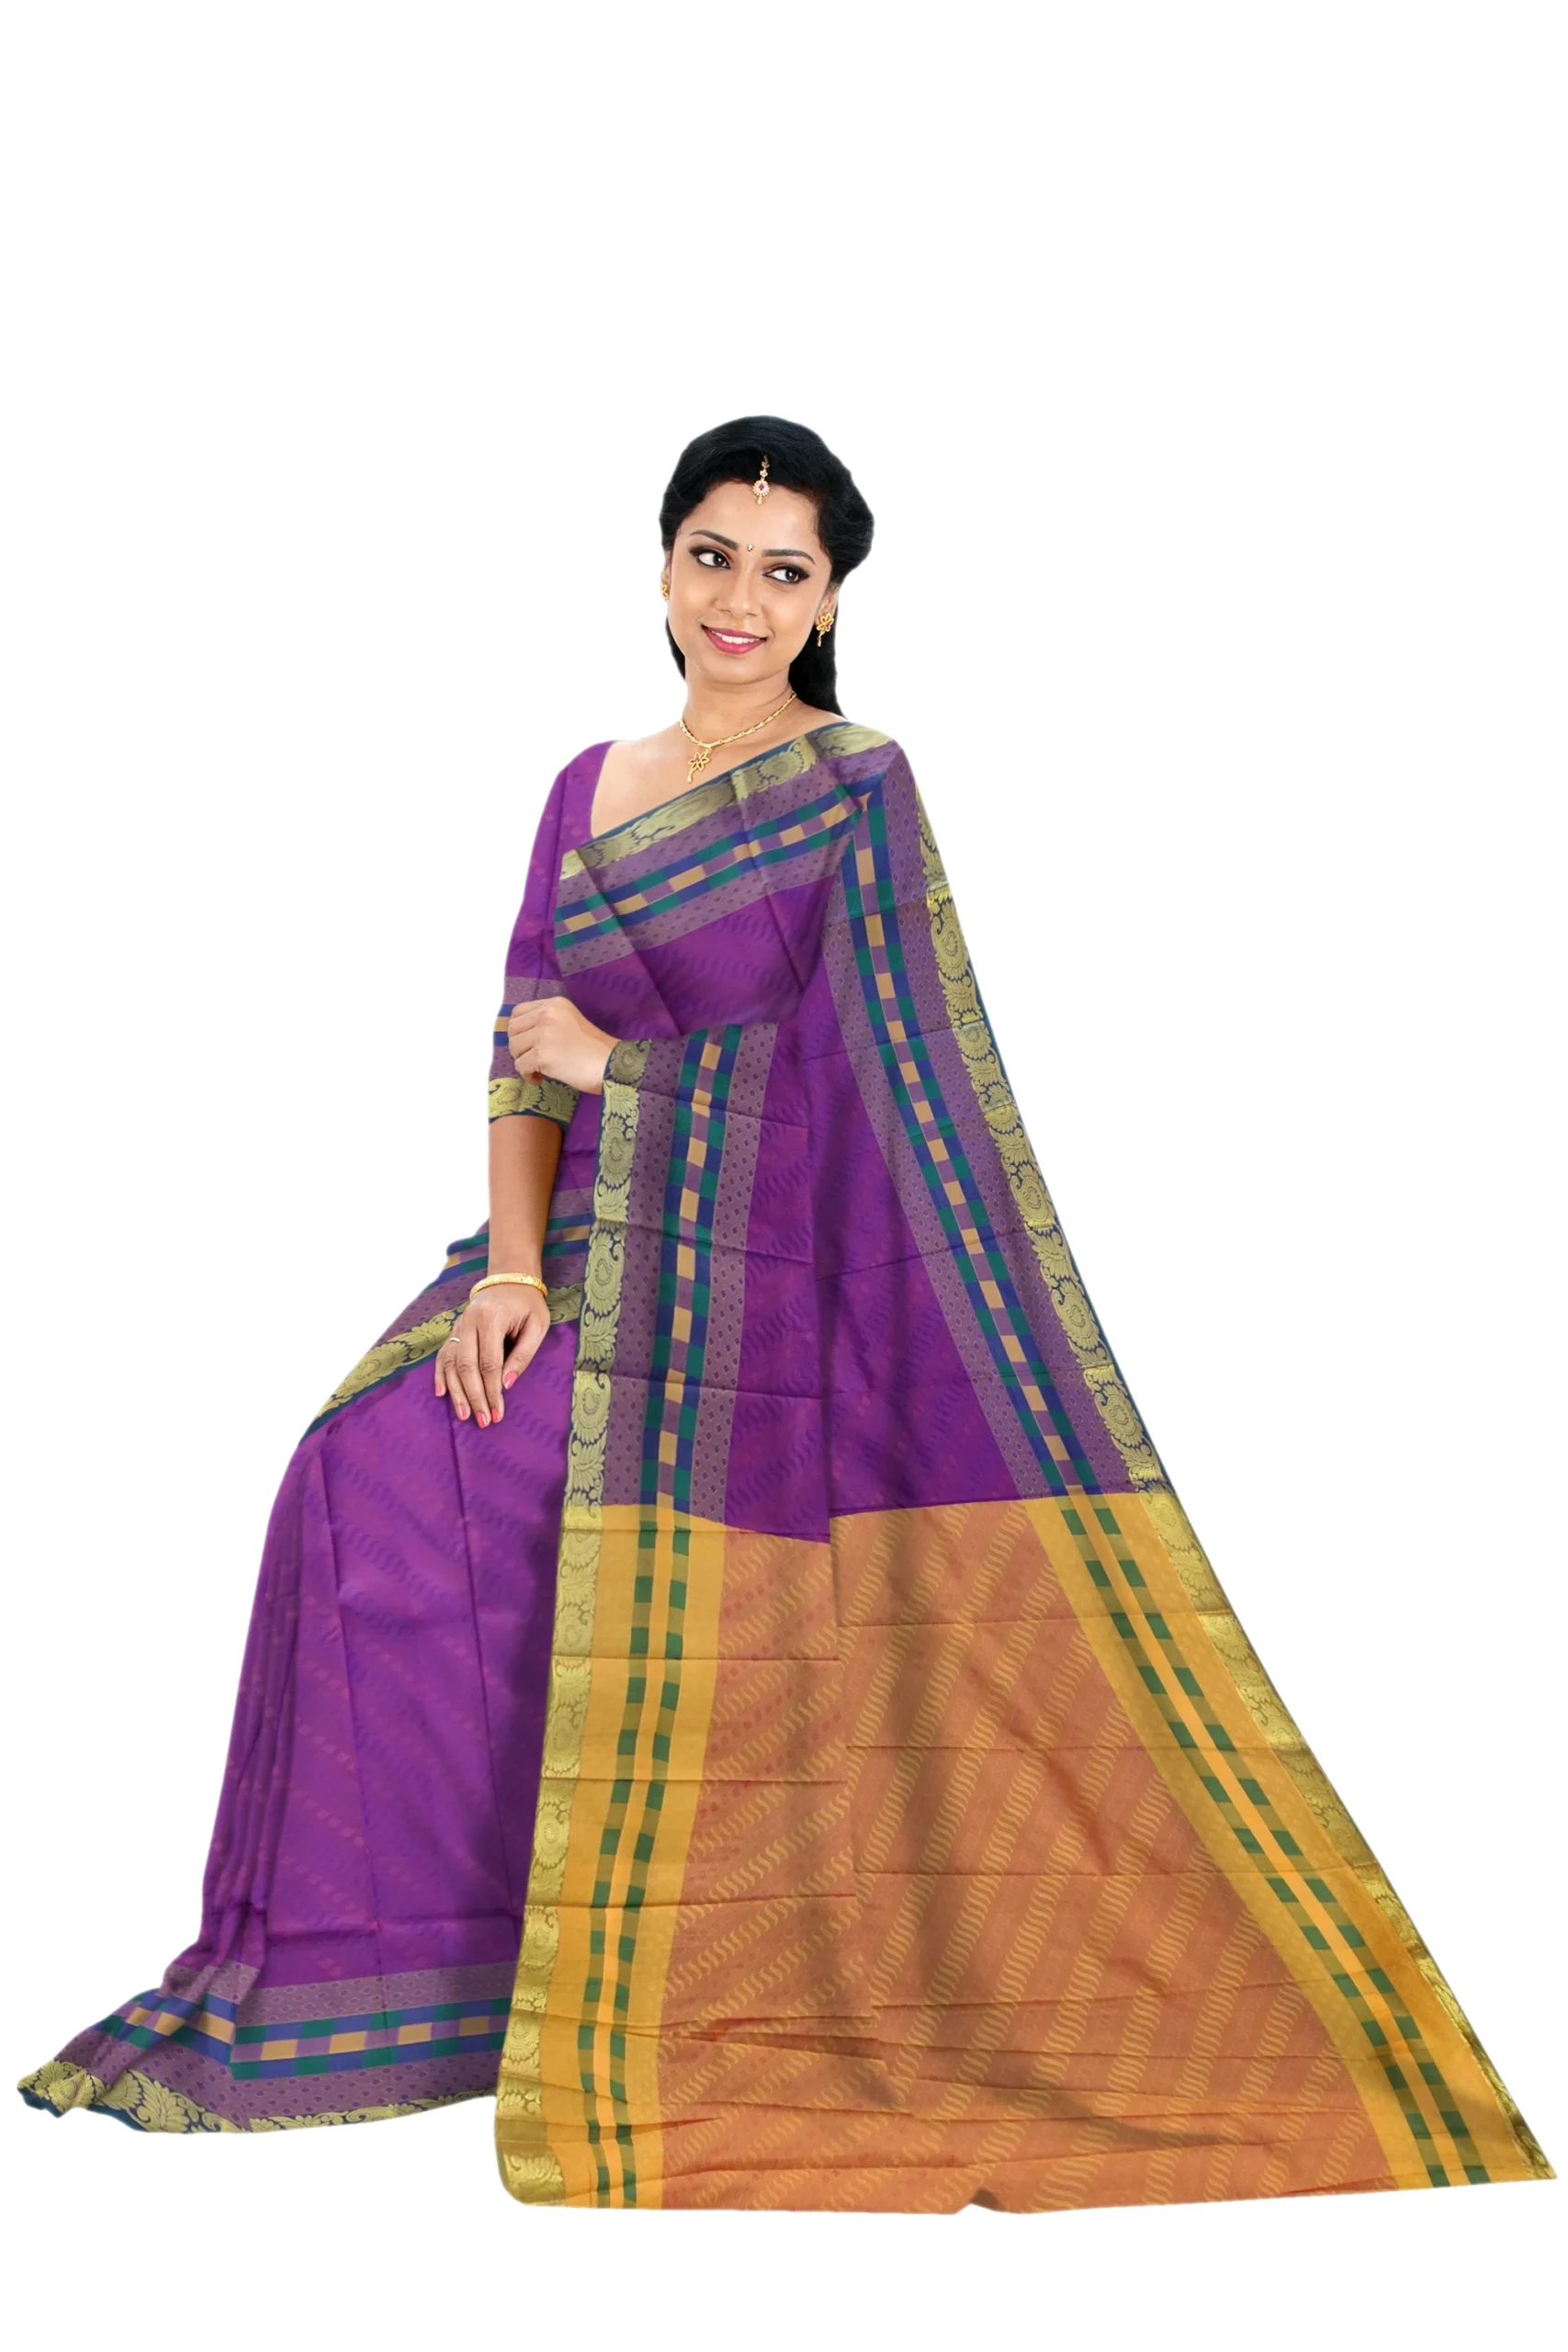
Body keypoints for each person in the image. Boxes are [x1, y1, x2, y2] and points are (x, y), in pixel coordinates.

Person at [20, 417, 1549, 2212]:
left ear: (830, 601)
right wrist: (507, 1272)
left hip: (787, 1261)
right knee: (360, 1469)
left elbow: (869, 1088)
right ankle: (432, 1976)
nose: (739, 598)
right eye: (712, 555)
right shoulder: (584, 782)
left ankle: (648, 1964)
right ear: (662, 565)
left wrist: (624, 1070)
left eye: (783, 570)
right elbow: (515, 1046)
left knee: (557, 1499)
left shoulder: (856, 786)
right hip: (582, 1234)